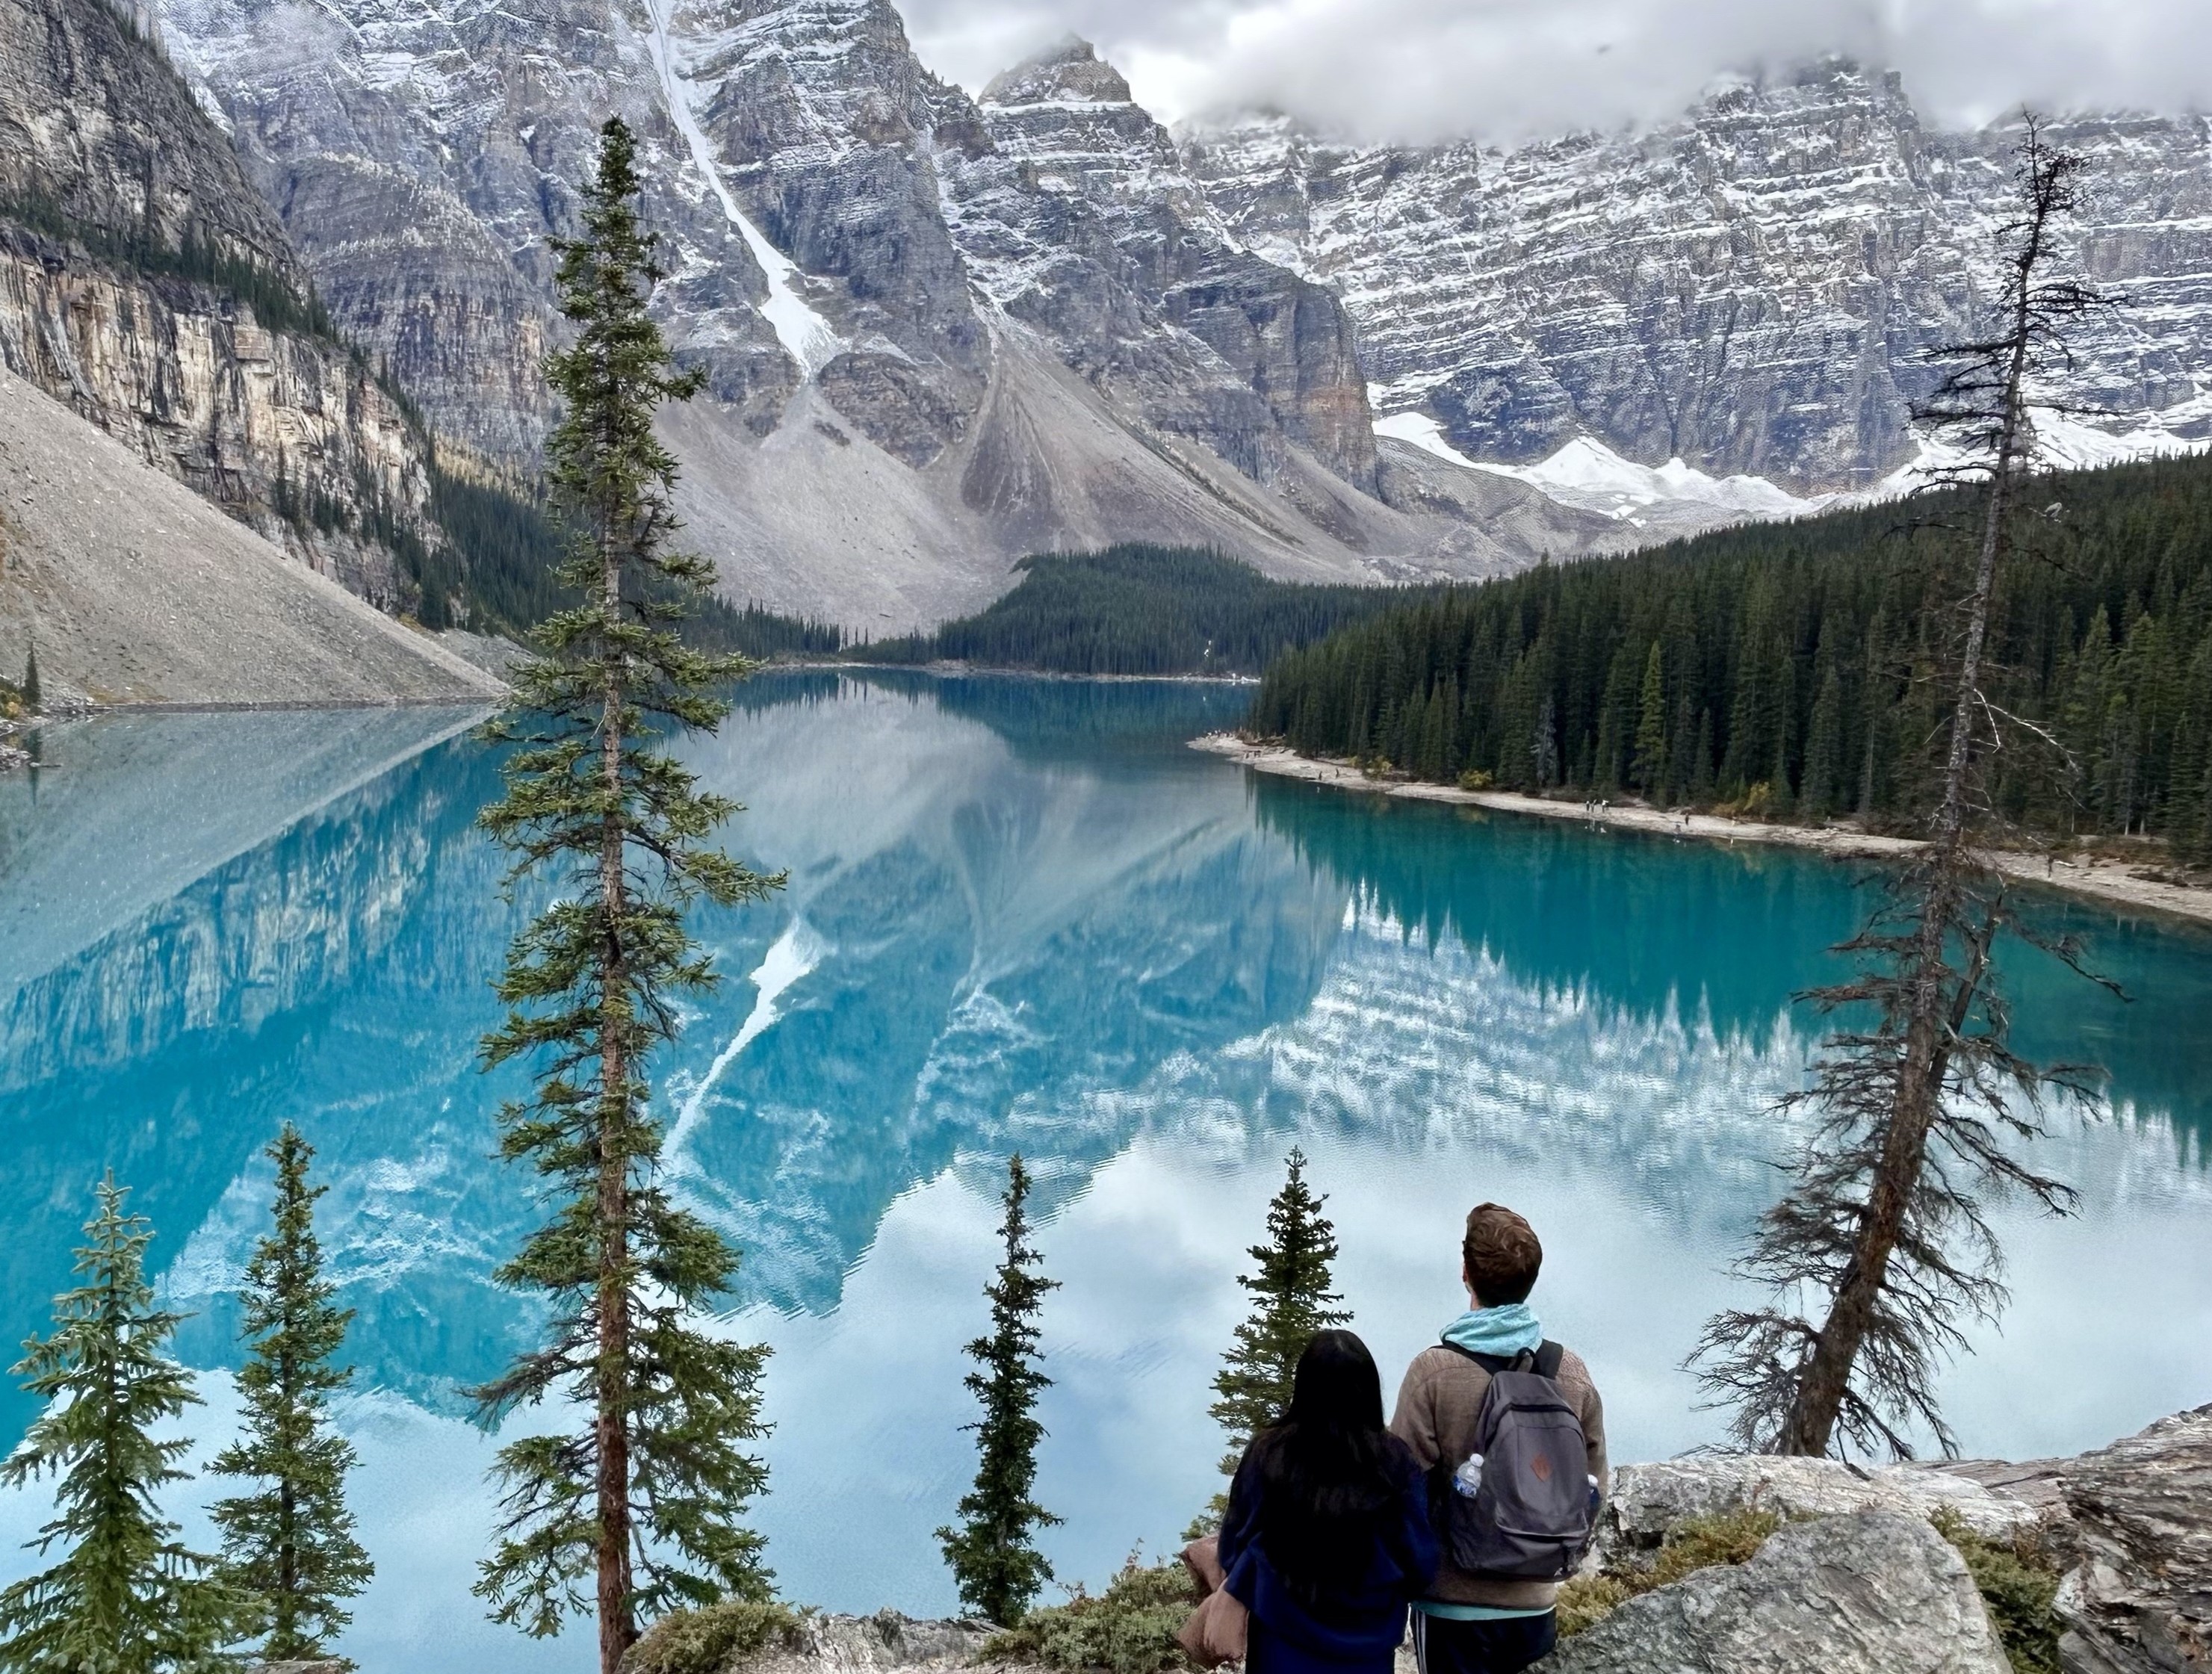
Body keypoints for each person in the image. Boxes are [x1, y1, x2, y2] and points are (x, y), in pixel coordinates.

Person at [1390, 1203, 1607, 1674]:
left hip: (1452, 1604)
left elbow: (1400, 1486)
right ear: (1530, 1280)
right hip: (1536, 1605)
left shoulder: (1434, 1372)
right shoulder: (1570, 1373)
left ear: (1466, 1274)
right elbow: (1594, 1486)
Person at [1218, 1330, 1440, 1674]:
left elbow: (1233, 1548)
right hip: (1368, 1646)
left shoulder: (1268, 1453)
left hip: (1280, 1641)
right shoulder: (1395, 1461)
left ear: (1304, 1387)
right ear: (1368, 1389)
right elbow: (1420, 1562)